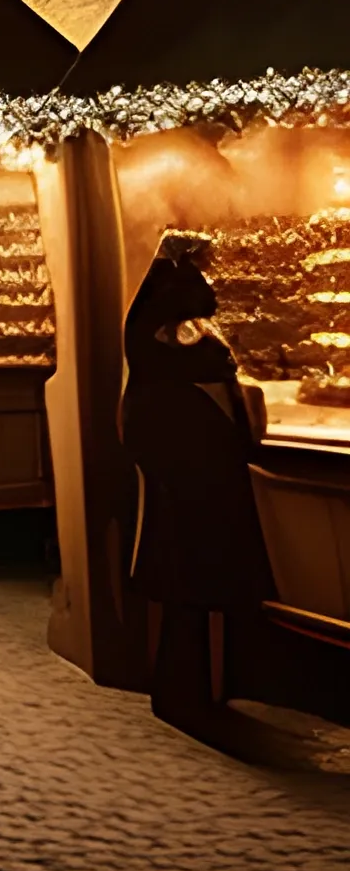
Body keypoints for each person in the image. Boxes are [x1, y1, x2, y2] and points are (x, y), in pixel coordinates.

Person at [120, 232, 275, 733]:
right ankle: (183, 695)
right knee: (189, 589)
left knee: (191, 592)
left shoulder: (164, 339)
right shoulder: (166, 342)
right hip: (190, 484)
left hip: (199, 479)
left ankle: (188, 692)